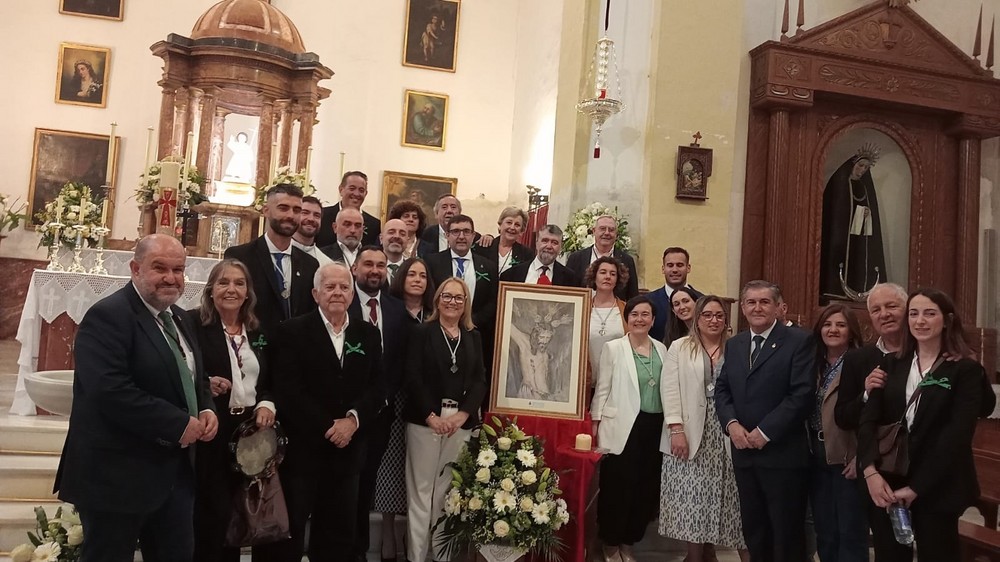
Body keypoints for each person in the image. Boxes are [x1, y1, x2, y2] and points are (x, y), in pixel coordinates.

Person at [54, 234, 218, 562]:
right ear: (135, 268)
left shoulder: (181, 318)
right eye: (160, 268)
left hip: (173, 475)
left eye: (178, 269)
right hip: (116, 475)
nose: (171, 278)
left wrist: (207, 407)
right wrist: (176, 424)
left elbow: (194, 375)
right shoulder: (108, 316)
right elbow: (109, 391)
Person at [858, 288, 996, 562]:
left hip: (938, 485)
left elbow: (956, 436)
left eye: (929, 313)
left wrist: (918, 487)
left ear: (947, 320)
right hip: (888, 482)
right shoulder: (891, 364)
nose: (920, 321)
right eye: (914, 314)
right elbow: (868, 420)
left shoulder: (963, 370)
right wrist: (870, 472)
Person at [262, 262, 384, 562]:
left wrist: (352, 421)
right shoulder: (292, 331)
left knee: (337, 536)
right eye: (330, 287)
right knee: (288, 535)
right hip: (304, 450)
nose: (337, 293)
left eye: (344, 287)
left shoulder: (367, 334)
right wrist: (330, 426)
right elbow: (288, 390)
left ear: (352, 295)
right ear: (316, 293)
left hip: (348, 451)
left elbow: (378, 387)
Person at [714, 280, 815, 562]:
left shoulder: (799, 341)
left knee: (785, 533)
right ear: (743, 308)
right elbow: (722, 389)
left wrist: (765, 431)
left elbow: (802, 394)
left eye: (764, 302)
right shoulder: (735, 344)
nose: (757, 308)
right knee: (755, 529)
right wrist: (731, 424)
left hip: (782, 455)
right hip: (744, 453)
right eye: (751, 302)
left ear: (777, 307)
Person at [185, 259, 275, 562]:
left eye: (239, 283)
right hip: (213, 428)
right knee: (212, 513)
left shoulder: (258, 329)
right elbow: (183, 371)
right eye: (223, 282)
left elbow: (272, 378)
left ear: (248, 291)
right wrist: (205, 383)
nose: (231, 289)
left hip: (250, 431)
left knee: (240, 514)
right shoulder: (193, 324)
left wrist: (266, 403)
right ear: (211, 289)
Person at [659, 296, 748, 562]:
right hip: (689, 431)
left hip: (728, 429)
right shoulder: (680, 347)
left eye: (719, 315)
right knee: (693, 499)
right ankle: (695, 557)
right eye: (707, 315)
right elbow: (670, 389)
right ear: (696, 319)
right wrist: (676, 429)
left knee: (733, 499)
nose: (714, 320)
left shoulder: (737, 347)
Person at [403, 278, 487, 562]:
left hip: (458, 423)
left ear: (466, 304)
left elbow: (479, 380)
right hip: (426, 420)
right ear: (437, 300)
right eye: (447, 296)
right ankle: (416, 557)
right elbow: (412, 378)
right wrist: (431, 416)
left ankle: (441, 556)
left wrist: (464, 413)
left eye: (459, 298)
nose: (453, 302)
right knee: (421, 493)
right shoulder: (421, 332)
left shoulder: (473, 335)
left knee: (446, 494)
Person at [834, 283, 911, 561]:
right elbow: (842, 416)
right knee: (888, 549)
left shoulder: (925, 353)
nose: (884, 314)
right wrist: (865, 393)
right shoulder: (859, 359)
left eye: (892, 306)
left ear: (907, 310)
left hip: (920, 466)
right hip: (879, 470)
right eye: (876, 309)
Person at [590, 296, 667, 562]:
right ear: (627, 318)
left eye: (645, 315)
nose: (639, 319)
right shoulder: (614, 348)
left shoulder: (662, 349)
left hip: (655, 427)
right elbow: (602, 389)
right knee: (618, 488)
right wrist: (595, 423)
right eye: (634, 314)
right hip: (623, 426)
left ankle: (628, 542)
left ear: (653, 320)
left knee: (645, 489)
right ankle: (610, 544)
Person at [347, 247, 410, 562]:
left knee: (368, 479)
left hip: (382, 412)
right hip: (345, 412)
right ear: (355, 267)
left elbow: (399, 361)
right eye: (368, 264)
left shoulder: (397, 310)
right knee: (344, 483)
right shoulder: (342, 303)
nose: (374, 270)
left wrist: (383, 396)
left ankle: (358, 549)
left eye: (381, 265)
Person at [375, 258, 434, 561]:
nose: (417, 279)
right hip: (396, 398)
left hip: (426, 401)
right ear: (401, 278)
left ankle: (414, 534)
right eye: (411, 273)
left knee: (418, 471)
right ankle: (387, 534)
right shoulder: (389, 307)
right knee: (391, 465)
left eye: (423, 275)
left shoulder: (435, 313)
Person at [807, 304, 868, 562]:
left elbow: (872, 415)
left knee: (850, 532)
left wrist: (861, 457)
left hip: (847, 457)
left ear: (852, 331)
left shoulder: (863, 361)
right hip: (815, 455)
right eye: (827, 324)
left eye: (841, 325)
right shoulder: (812, 362)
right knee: (826, 531)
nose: (833, 330)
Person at [224, 183, 319, 335]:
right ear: (266, 211)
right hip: (253, 345)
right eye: (283, 208)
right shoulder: (240, 257)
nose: (290, 215)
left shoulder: (310, 264)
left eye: (296, 210)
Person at [425, 214, 499, 378]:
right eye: (456, 231)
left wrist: (471, 321)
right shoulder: (432, 262)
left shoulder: (488, 266)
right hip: (439, 332)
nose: (461, 236)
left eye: (466, 231)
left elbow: (493, 301)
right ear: (447, 235)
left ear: (473, 235)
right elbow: (429, 295)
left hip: (475, 333)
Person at [820, 145, 887, 300]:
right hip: (841, 238)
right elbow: (835, 213)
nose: (862, 170)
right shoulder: (839, 184)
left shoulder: (865, 187)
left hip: (859, 238)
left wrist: (866, 214)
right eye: (860, 166)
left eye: (866, 167)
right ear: (852, 165)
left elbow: (869, 211)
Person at [565, 214, 639, 300]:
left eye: (611, 230)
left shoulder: (627, 260)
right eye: (602, 229)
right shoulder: (576, 258)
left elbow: (633, 296)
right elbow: (568, 291)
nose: (607, 233)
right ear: (594, 231)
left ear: (616, 234)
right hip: (582, 310)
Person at [585, 257, 628, 393]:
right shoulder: (583, 308)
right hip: (586, 383)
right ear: (594, 276)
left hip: (616, 383)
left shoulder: (625, 310)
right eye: (603, 272)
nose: (608, 277)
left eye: (613, 274)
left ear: (618, 279)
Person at [648, 247, 704, 341]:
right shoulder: (649, 301)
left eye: (679, 265)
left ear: (688, 268)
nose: (675, 270)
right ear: (663, 269)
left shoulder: (702, 300)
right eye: (670, 265)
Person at [501, 224, 582, 286]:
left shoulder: (571, 279)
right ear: (536, 243)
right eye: (545, 241)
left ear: (561, 246)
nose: (549, 246)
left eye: (554, 243)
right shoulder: (510, 275)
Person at [316, 171, 381, 248]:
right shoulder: (323, 215)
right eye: (352, 188)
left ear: (365, 193)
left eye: (361, 190)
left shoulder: (374, 224)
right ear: (341, 190)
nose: (356, 194)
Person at [418, 194, 485, 256]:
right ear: (436, 214)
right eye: (444, 207)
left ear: (460, 213)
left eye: (453, 207)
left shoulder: (475, 238)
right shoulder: (425, 235)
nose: (449, 211)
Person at [472, 206, 534, 274]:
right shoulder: (484, 247)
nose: (512, 227)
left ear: (521, 231)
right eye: (509, 222)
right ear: (500, 224)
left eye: (517, 225)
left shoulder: (526, 254)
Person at [292, 195, 335, 266]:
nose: (311, 219)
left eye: (317, 215)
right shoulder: (280, 252)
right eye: (305, 213)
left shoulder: (326, 264)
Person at [380, 218, 410, 282]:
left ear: (407, 241)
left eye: (402, 234)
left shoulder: (412, 268)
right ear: (381, 238)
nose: (397, 236)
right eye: (391, 232)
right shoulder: (371, 267)